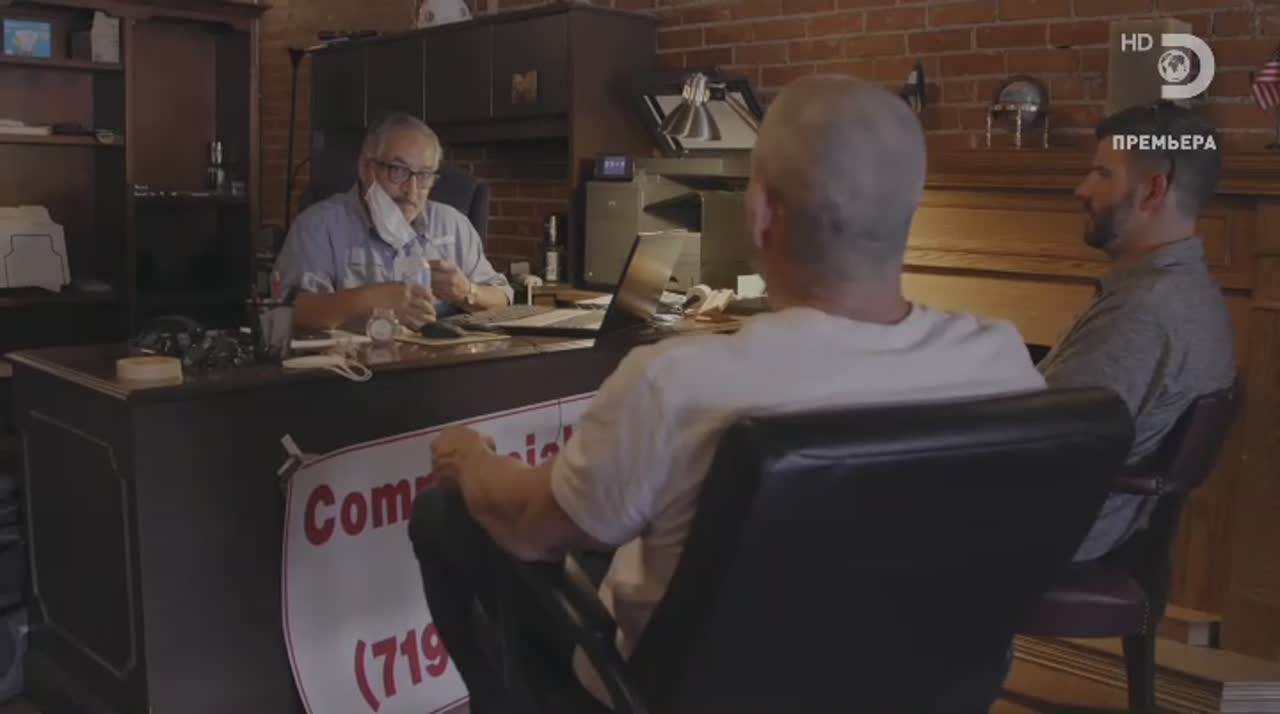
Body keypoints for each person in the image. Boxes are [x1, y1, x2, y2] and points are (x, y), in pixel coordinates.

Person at [408, 75, 1046, 712]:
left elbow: (529, 532)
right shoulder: (1001, 363)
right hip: (910, 691)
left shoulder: (678, 381)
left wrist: (473, 460)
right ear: (908, 209)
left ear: (761, 212)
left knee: (448, 514)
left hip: (675, 696)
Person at [1038, 101, 1235, 562]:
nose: (1081, 189)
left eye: (1102, 174)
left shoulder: (1145, 311)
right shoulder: (1184, 290)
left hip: (1052, 533)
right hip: (1083, 522)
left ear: (1153, 190)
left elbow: (1038, 444)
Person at [273, 113, 512, 333]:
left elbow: (503, 298)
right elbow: (289, 312)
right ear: (366, 168)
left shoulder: (453, 224)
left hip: (441, 362)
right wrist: (370, 299)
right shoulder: (318, 226)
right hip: (355, 362)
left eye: (424, 175)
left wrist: (467, 291)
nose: (411, 190)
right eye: (398, 170)